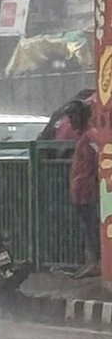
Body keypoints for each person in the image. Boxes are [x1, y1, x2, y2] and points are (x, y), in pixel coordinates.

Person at [69, 100, 102, 275]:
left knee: (92, 228)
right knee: (88, 227)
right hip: (81, 193)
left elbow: (101, 158)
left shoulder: (90, 136)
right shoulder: (84, 137)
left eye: (73, 117)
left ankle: (95, 262)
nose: (71, 121)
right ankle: (91, 261)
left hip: (89, 193)